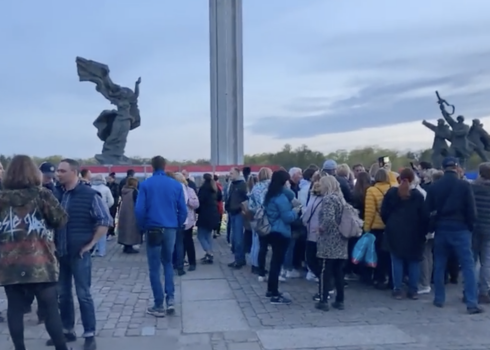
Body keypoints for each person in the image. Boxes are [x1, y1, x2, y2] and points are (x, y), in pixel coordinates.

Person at [0, 155, 70, 350]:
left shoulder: (2, 198)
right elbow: (61, 219)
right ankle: (61, 348)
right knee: (50, 309)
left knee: (14, 309)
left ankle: (20, 348)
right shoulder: (42, 195)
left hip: (9, 262)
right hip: (40, 261)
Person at [51, 158, 113, 350]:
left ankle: (89, 333)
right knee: (63, 294)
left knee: (83, 294)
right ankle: (67, 330)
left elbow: (105, 220)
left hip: (79, 253)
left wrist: (91, 244)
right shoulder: (55, 194)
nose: (57, 174)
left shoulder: (89, 194)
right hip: (59, 253)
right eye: (57, 171)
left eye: (62, 171)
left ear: (74, 172)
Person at [426, 157, 483, 314]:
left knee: (440, 264)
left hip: (441, 228)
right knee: (467, 266)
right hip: (461, 228)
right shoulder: (464, 185)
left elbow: (427, 211)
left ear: (443, 168)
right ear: (456, 167)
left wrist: (430, 228)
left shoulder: (434, 186)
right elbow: (471, 210)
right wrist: (470, 226)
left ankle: (439, 298)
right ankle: (471, 302)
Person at [134, 156, 187, 318]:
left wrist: (143, 226)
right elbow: (182, 210)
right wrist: (177, 223)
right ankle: (170, 299)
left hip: (153, 227)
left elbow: (139, 210)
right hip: (170, 227)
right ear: (165, 166)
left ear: (152, 166)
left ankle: (158, 304)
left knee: (154, 267)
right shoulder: (176, 185)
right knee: (168, 263)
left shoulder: (145, 185)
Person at [381, 168, 428, 300]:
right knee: (414, 261)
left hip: (395, 230)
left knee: (396, 260)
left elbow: (383, 212)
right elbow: (424, 216)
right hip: (414, 231)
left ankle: (398, 289)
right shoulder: (418, 195)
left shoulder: (391, 193)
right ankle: (413, 290)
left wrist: (389, 223)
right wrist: (423, 231)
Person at [263, 169, 299, 305]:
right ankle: (275, 292)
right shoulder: (282, 198)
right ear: (284, 182)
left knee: (274, 262)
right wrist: (296, 211)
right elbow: (287, 217)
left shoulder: (271, 195)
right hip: (281, 231)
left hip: (272, 230)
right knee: (277, 263)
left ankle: (270, 289)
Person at [315, 175, 348, 311]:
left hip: (329, 240)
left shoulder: (328, 199)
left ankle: (323, 300)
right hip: (341, 239)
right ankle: (340, 300)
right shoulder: (341, 199)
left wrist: (321, 228)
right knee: (338, 271)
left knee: (325, 270)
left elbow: (329, 219)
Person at [364, 168, 392, 288]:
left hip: (376, 226)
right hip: (389, 226)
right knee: (387, 254)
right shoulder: (392, 188)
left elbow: (369, 211)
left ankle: (378, 278)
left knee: (376, 254)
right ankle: (388, 277)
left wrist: (366, 228)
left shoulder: (372, 190)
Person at [471, 162, 490, 304]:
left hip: (473, 227)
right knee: (486, 262)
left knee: (470, 260)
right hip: (488, 228)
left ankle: (469, 290)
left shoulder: (472, 187)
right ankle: (484, 291)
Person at [249, 167, 273, 280]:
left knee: (260, 245)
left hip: (259, 218)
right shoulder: (272, 186)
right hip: (271, 218)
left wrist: (257, 210)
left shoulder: (255, 187)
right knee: (274, 246)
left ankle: (259, 269)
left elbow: (250, 205)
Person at [301, 178, 323, 300]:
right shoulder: (326, 199)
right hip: (320, 233)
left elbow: (306, 216)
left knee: (311, 259)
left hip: (313, 233)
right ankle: (325, 284)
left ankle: (324, 284)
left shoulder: (314, 199)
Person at [174, 172, 200, 272]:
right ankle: (180, 261)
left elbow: (196, 204)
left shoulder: (190, 190)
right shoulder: (174, 191)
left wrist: (188, 201)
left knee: (188, 241)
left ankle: (192, 262)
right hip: (177, 220)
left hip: (188, 220)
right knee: (179, 243)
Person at [196, 173, 222, 264]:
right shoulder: (215, 188)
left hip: (205, 215)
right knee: (208, 235)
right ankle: (209, 254)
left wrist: (197, 211)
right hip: (214, 214)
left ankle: (209, 252)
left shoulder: (203, 189)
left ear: (203, 179)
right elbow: (220, 198)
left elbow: (199, 202)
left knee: (200, 235)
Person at [225, 167, 248, 269]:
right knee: (234, 237)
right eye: (230, 173)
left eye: (232, 173)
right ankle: (238, 258)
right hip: (232, 212)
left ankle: (239, 260)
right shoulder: (232, 184)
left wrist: (241, 208)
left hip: (238, 213)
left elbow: (247, 198)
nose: (230, 175)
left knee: (238, 238)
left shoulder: (242, 185)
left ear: (238, 173)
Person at [91, 174, 114, 257]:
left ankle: (93, 250)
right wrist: (105, 207)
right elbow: (111, 201)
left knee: (93, 232)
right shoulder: (106, 188)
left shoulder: (90, 188)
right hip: (103, 212)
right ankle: (102, 251)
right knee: (102, 231)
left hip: (92, 213)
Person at [117, 177, 141, 254]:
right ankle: (129, 246)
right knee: (131, 230)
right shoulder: (134, 192)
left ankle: (126, 246)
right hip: (131, 213)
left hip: (124, 212)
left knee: (125, 229)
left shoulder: (124, 191)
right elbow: (138, 203)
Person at [106, 173, 120, 239]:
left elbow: (117, 194)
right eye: (108, 179)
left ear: (113, 179)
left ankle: (111, 231)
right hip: (107, 203)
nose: (109, 180)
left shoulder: (116, 185)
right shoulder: (107, 185)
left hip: (113, 203)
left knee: (112, 217)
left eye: (110, 178)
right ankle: (108, 232)